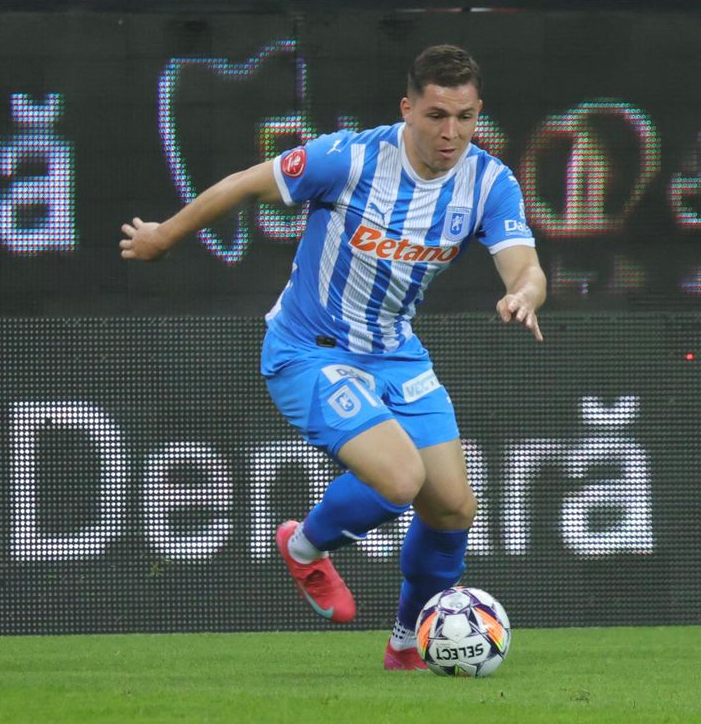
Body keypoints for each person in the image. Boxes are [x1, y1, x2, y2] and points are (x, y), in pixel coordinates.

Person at [120, 45, 544, 671]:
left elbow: (525, 266)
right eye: (436, 115)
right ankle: (304, 546)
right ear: (407, 109)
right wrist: (163, 236)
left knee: (453, 507)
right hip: (308, 351)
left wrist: (524, 294)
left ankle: (407, 644)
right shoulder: (349, 158)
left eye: (465, 116)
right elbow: (244, 182)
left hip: (395, 353)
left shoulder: (490, 182)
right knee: (400, 479)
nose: (451, 132)